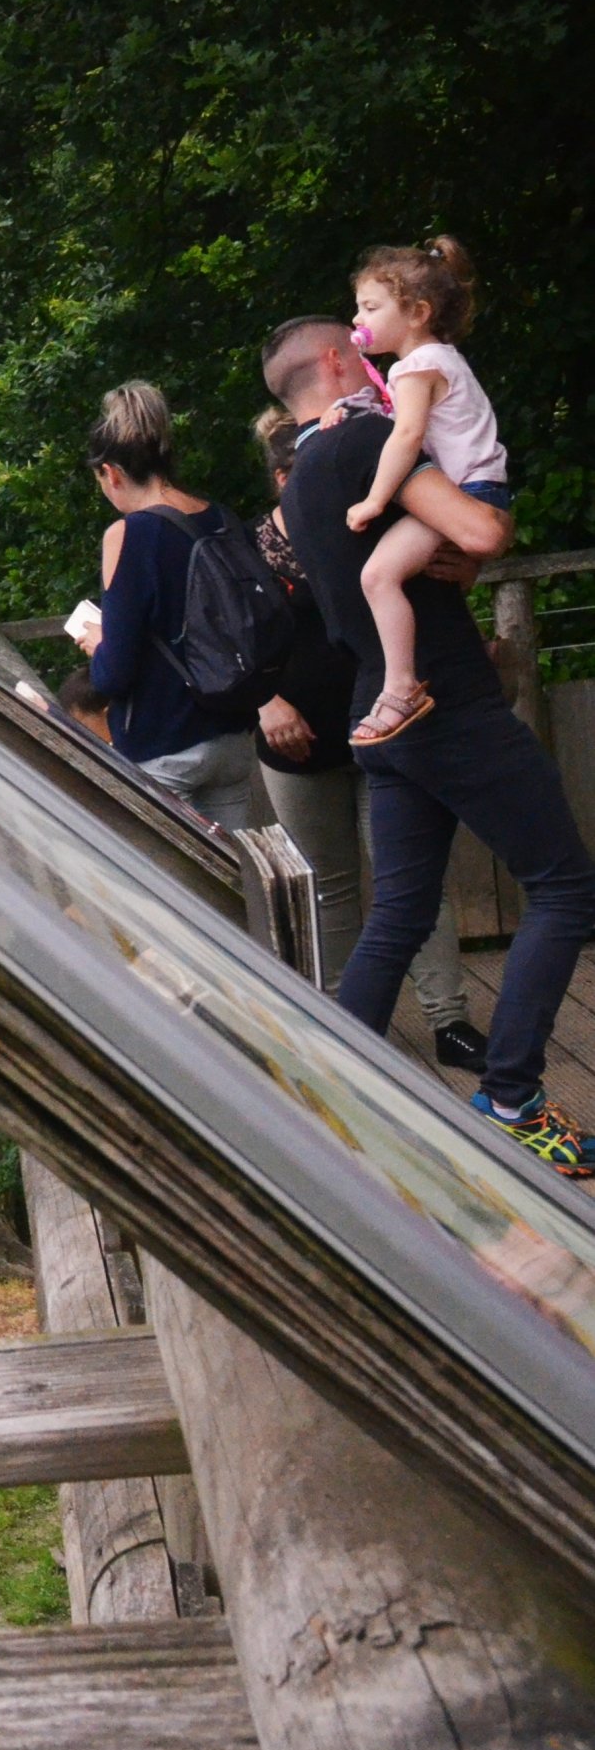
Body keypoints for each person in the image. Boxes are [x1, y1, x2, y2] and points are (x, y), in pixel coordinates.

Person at [268, 313, 594, 1172]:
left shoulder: (298, 476)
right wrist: (483, 538)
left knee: (400, 913)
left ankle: (333, 1095)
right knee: (565, 887)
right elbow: (481, 528)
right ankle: (511, 1095)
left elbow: (426, 551)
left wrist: (457, 550)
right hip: (443, 704)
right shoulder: (369, 438)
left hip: (376, 712)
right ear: (339, 359)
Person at [247, 417, 486, 1072]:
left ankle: (449, 1021)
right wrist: (264, 702)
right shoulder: (247, 550)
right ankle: (346, 1031)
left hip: (388, 733)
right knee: (329, 888)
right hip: (299, 750)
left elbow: (447, 579)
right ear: (280, 479)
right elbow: (222, 647)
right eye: (307, 471)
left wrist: (463, 571)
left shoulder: (367, 530)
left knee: (413, 881)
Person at [341, 237, 514, 742]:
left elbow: (407, 435)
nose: (357, 318)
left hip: (464, 493)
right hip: (484, 490)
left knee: (378, 576)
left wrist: (374, 498)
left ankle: (399, 687)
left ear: (417, 312)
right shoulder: (443, 359)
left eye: (370, 307)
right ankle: (480, 652)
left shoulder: (415, 367)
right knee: (425, 579)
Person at [67, 382, 255, 827]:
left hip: (165, 748)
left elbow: (116, 672)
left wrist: (98, 643)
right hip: (232, 736)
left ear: (110, 472)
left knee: (168, 893)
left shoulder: (129, 535)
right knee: (238, 890)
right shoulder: (219, 518)